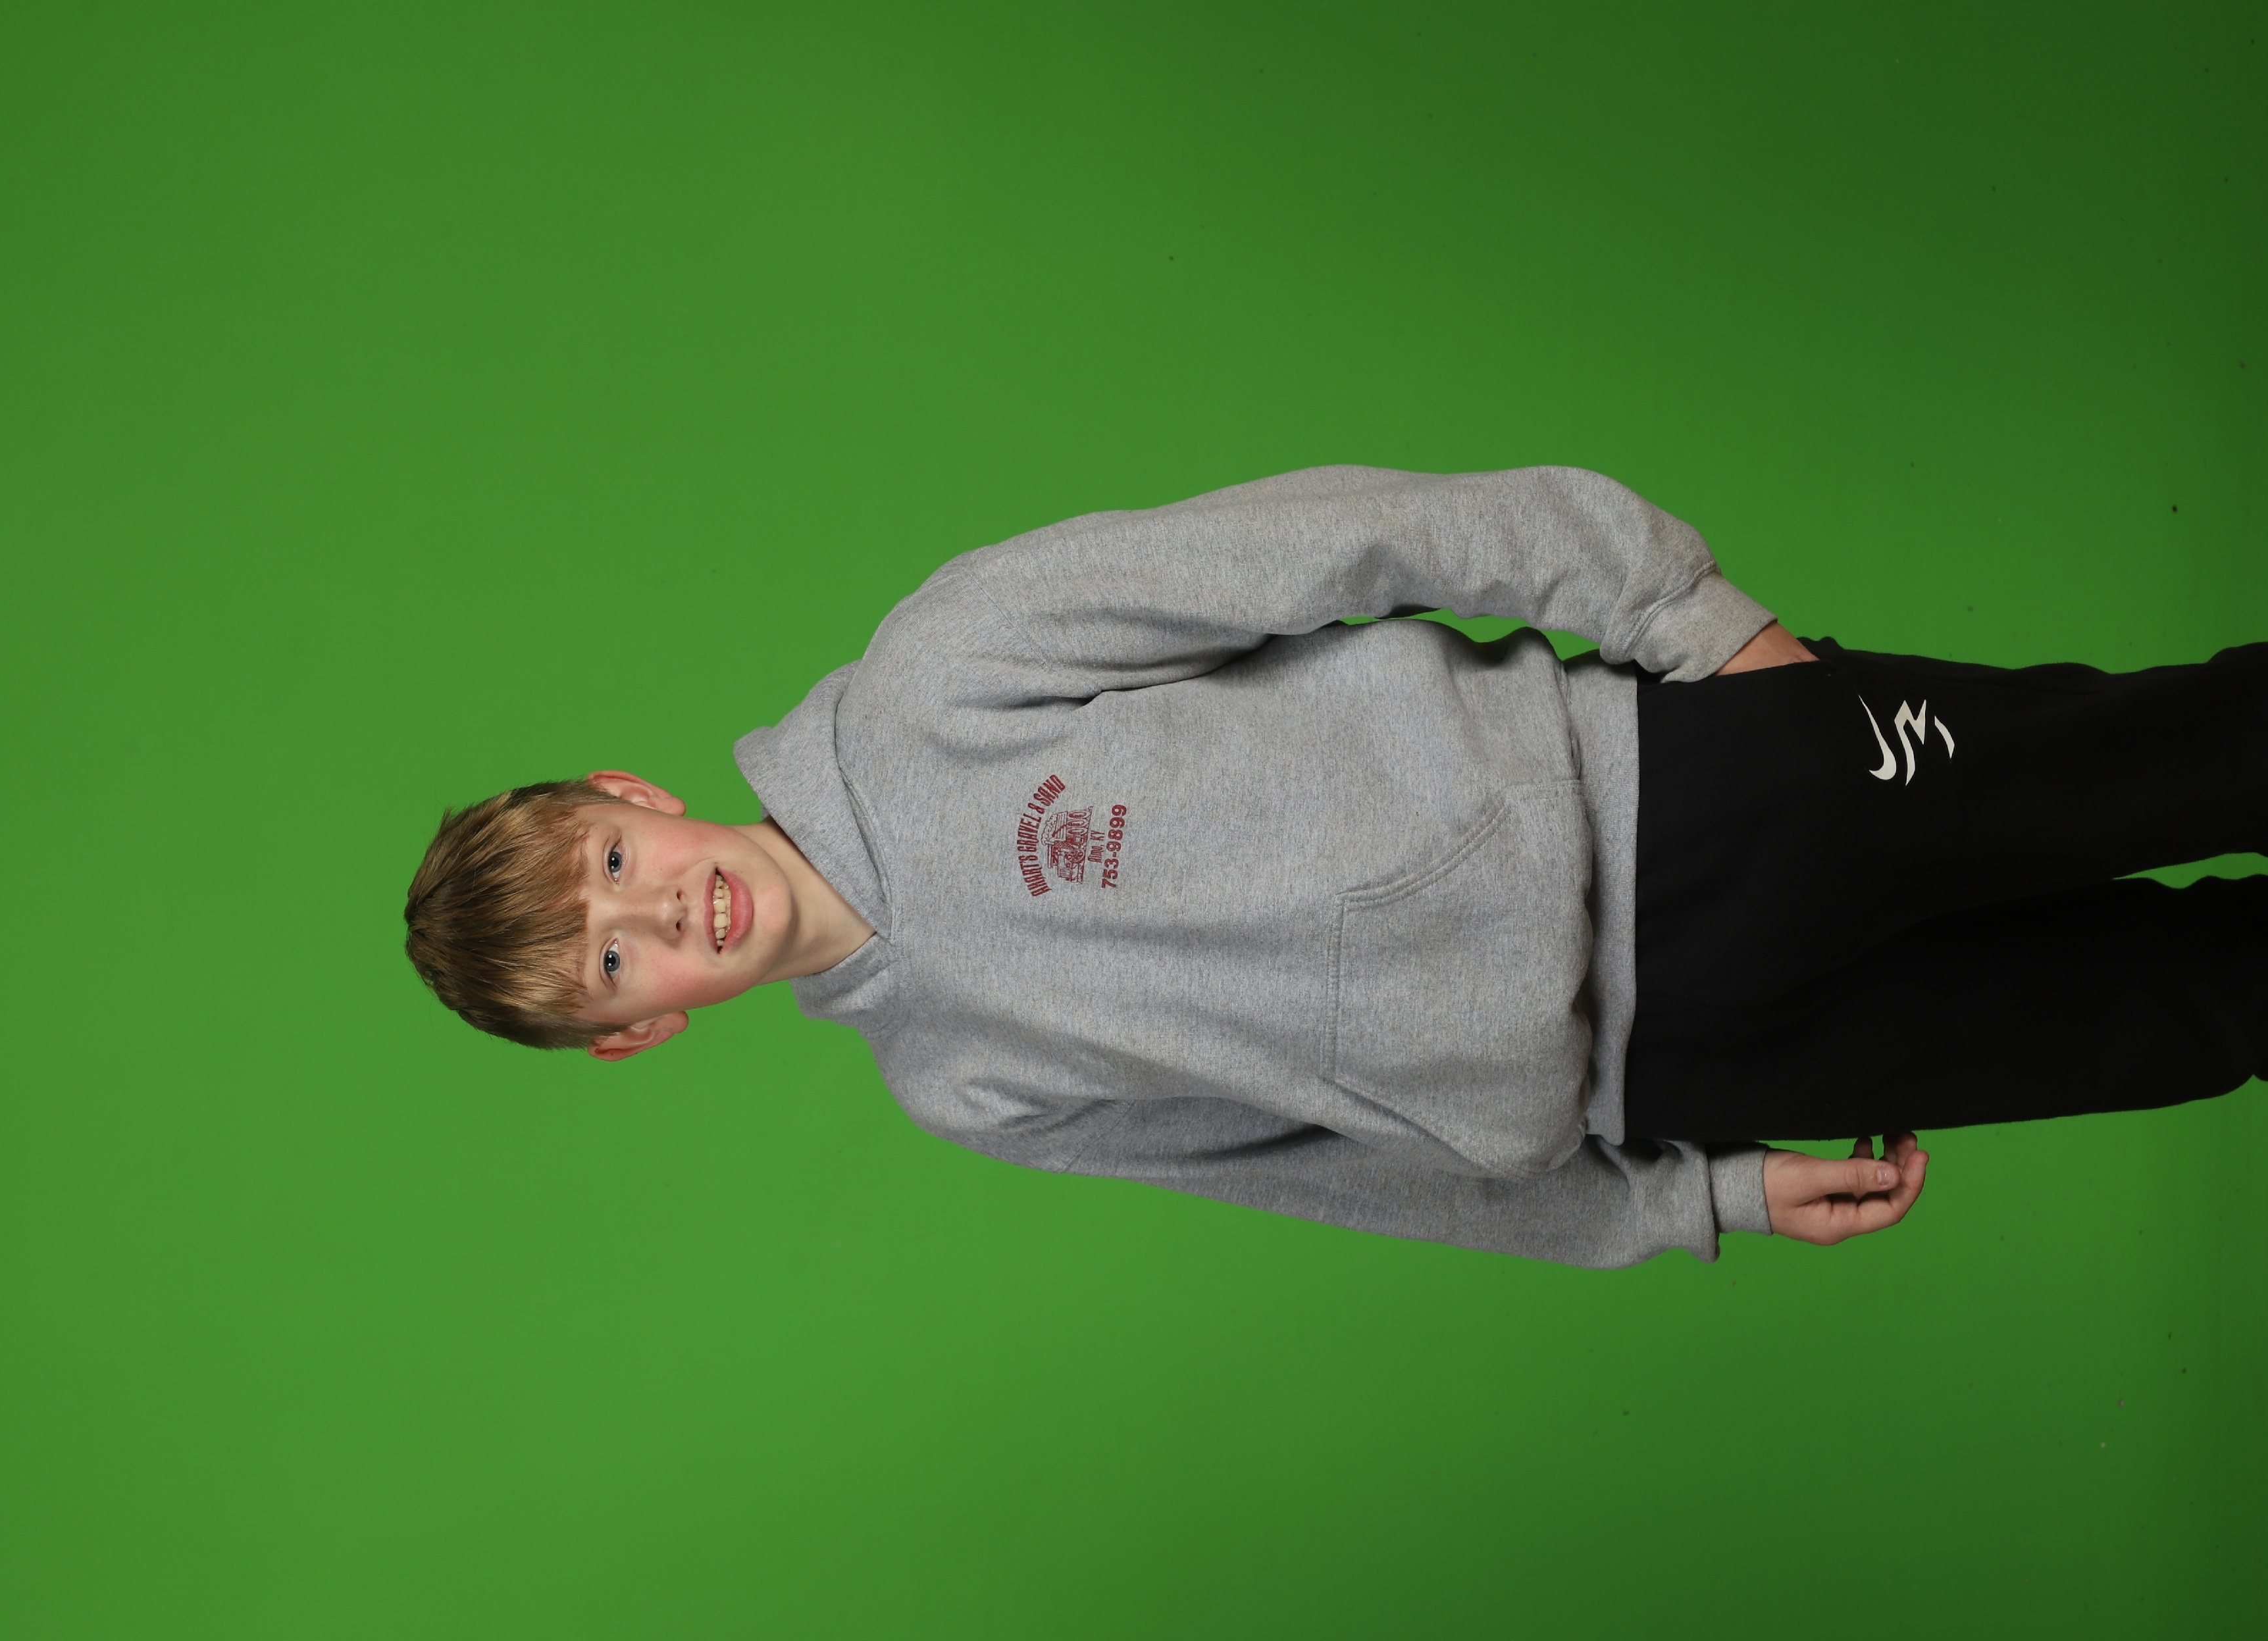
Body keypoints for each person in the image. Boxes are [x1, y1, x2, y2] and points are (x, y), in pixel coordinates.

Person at [403, 467, 2265, 1267]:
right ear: (637, 1032)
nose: (659, 911)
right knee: (2193, 1016)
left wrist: (1680, 614)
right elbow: (1336, 1178)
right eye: (615, 962)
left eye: (615, 863)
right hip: (1678, 1071)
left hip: (1680, 794)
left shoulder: (937, 673)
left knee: (2187, 757)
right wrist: (1687, 1203)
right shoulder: (959, 1085)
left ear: (631, 793)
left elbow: (1340, 538)